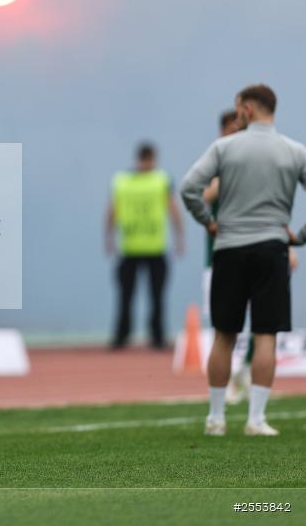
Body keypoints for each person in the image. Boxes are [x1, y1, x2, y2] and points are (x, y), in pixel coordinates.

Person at [181, 84, 306, 437]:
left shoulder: (224, 147)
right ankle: (256, 419)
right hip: (272, 247)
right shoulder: (295, 151)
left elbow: (189, 187)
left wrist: (208, 221)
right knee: (265, 335)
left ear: (248, 109)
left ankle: (216, 418)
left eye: (238, 109)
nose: (237, 116)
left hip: (230, 247)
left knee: (224, 334)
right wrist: (299, 236)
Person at [105, 143, 184, 349]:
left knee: (137, 296)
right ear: (152, 159)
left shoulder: (122, 181)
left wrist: (109, 237)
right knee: (143, 296)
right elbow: (173, 209)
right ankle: (152, 336)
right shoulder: (161, 180)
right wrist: (179, 237)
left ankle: (126, 336)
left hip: (138, 246)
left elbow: (111, 211)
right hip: (144, 247)